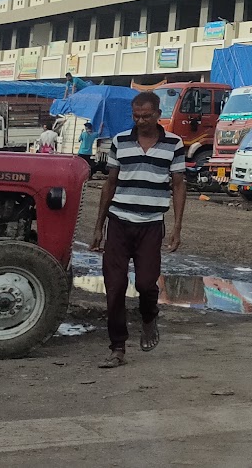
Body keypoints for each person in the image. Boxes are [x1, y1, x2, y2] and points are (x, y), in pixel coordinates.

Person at [90, 91, 187, 368]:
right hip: (118, 223)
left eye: (146, 116)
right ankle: (117, 347)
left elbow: (178, 185)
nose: (141, 121)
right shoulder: (120, 141)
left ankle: (149, 317)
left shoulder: (174, 144)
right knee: (115, 287)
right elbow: (110, 184)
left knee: (146, 284)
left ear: (158, 114)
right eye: (136, 116)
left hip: (151, 225)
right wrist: (98, 226)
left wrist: (177, 227)